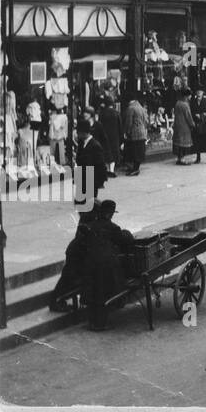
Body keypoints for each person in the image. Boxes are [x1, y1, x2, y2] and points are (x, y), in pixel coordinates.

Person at [79, 199, 134, 331]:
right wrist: (127, 233)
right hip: (106, 265)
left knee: (94, 292)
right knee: (103, 293)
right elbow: (124, 240)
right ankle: (100, 324)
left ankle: (92, 322)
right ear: (110, 214)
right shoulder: (113, 228)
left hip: (90, 263)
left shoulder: (92, 225)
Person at [73, 118, 109, 206]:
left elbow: (100, 166)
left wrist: (99, 182)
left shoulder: (95, 145)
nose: (77, 134)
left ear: (83, 132)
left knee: (89, 206)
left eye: (78, 132)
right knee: (80, 204)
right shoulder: (82, 143)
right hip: (82, 180)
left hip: (91, 181)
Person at [121, 93, 148, 176]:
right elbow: (145, 121)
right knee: (139, 151)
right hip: (142, 132)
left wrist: (126, 132)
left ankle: (135, 169)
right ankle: (135, 168)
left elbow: (129, 122)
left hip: (134, 133)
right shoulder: (141, 108)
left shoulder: (131, 108)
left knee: (134, 151)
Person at [97, 96, 122, 176]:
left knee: (106, 153)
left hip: (104, 136)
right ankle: (111, 170)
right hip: (115, 137)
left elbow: (99, 125)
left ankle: (107, 170)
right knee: (114, 153)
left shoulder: (102, 113)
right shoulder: (116, 113)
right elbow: (120, 126)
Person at [190, 88, 206, 165]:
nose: (198, 93)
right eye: (197, 92)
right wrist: (195, 115)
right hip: (197, 124)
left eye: (200, 92)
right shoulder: (193, 101)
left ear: (202, 93)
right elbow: (191, 111)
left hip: (204, 124)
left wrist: (205, 114)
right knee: (197, 141)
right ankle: (198, 157)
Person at [172, 87, 195, 166]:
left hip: (177, 125)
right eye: (189, 95)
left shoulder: (177, 103)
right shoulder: (185, 105)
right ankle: (182, 159)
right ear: (186, 96)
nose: (190, 97)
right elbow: (188, 116)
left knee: (179, 142)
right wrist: (192, 124)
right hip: (184, 127)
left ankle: (179, 158)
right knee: (183, 143)